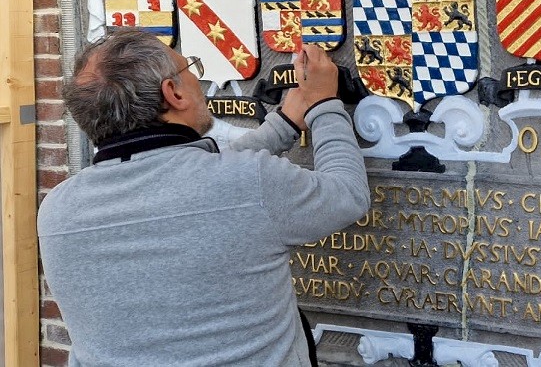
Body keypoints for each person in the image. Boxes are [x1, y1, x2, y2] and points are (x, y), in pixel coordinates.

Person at [38, 28, 370, 366]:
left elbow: (189, 183)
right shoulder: (246, 182)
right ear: (173, 93)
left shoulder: (57, 211)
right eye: (189, 69)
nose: (196, 81)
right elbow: (347, 193)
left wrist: (282, 124)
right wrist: (325, 104)